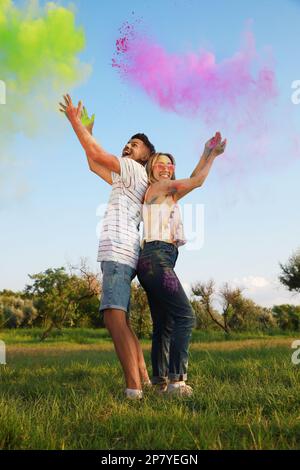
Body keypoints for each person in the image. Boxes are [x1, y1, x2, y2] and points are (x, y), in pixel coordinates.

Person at [59, 94, 155, 399]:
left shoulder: (133, 170)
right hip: (124, 253)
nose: (128, 145)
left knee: (113, 318)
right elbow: (93, 162)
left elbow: (98, 153)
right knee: (122, 320)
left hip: (118, 251)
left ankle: (133, 389)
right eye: (128, 142)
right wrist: (87, 132)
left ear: (145, 157)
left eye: (135, 144)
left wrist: (76, 124)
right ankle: (144, 381)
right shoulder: (127, 177)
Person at [137, 134, 226, 396]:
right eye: (160, 164)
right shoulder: (160, 188)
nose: (166, 168)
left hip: (151, 260)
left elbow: (192, 179)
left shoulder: (166, 195)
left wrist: (209, 153)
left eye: (170, 165)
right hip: (157, 258)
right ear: (151, 168)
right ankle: (177, 382)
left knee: (163, 324)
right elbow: (197, 181)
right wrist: (210, 158)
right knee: (185, 317)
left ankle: (159, 383)